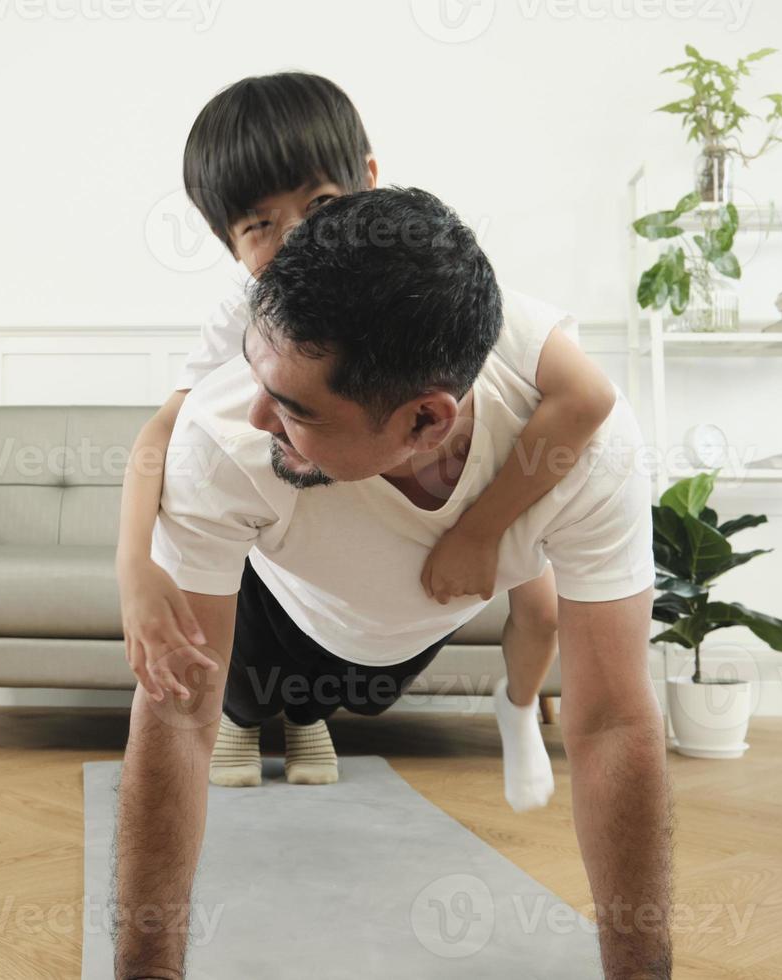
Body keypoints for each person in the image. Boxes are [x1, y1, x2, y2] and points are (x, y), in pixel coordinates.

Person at [113, 187, 673, 980]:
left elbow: (614, 720)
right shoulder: (220, 433)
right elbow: (175, 723)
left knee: (393, 677)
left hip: (407, 637)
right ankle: (279, 714)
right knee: (237, 696)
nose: (261, 420)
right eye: (257, 378)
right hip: (277, 616)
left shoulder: (587, 449)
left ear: (424, 422)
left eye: (296, 410)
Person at [116, 72, 618, 808]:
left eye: (320, 205)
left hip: (452, 488)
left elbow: (588, 395)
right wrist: (133, 568)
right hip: (307, 512)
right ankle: (260, 716)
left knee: (540, 608)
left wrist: (481, 532)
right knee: (252, 552)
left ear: (371, 182)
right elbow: (161, 432)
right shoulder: (246, 311)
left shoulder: (422, 275)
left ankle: (515, 715)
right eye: (260, 224)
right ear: (227, 244)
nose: (299, 237)